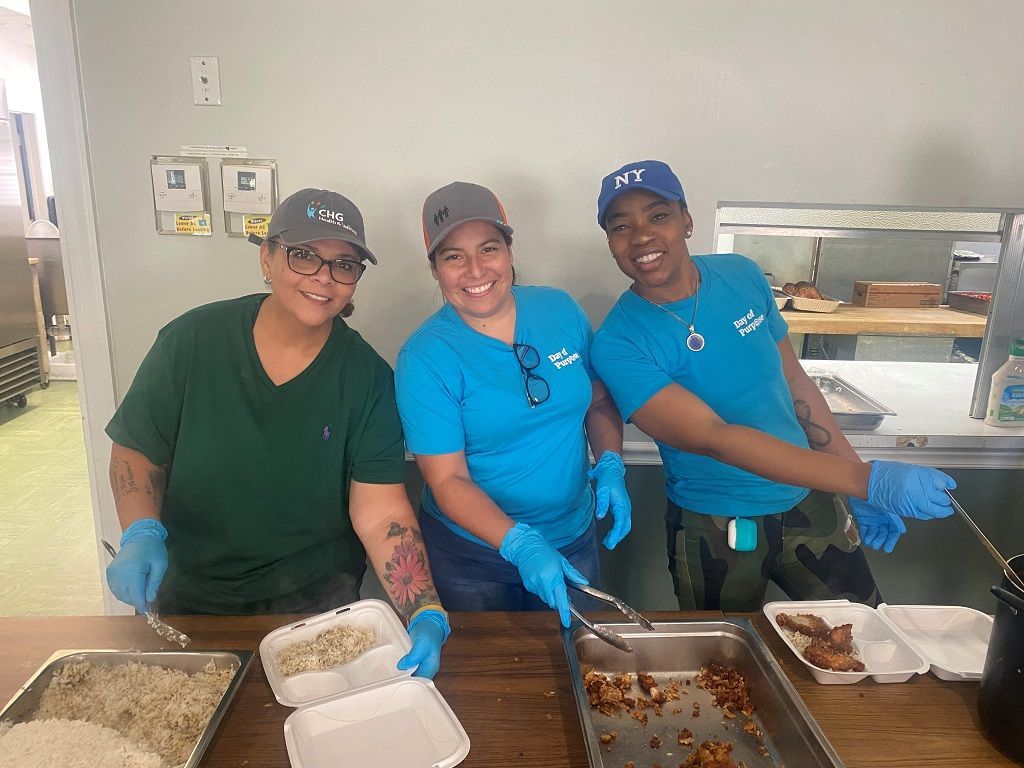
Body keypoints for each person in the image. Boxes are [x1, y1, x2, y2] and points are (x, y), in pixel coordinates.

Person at [104, 188, 448, 677]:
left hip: (316, 613)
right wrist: (140, 531)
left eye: (344, 264)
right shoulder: (192, 341)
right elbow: (136, 451)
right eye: (303, 255)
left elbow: (381, 510)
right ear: (267, 257)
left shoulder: (367, 378)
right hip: (190, 601)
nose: (324, 277)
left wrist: (424, 608)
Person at [590, 160, 955, 612]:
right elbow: (715, 437)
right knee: (727, 650)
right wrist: (867, 480)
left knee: (863, 630)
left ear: (686, 219)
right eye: (621, 226)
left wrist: (851, 476)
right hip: (716, 523)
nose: (641, 236)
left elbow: (794, 380)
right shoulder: (618, 342)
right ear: (610, 242)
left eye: (658, 215)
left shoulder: (741, 276)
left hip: (810, 498)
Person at [394, 181, 630, 627]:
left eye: (488, 249)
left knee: (576, 658)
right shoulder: (424, 357)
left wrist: (612, 461)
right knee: (488, 669)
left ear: (509, 250)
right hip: (472, 558)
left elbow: (597, 399)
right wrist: (519, 544)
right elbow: (447, 479)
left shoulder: (560, 309)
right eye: (453, 257)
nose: (475, 270)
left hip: (573, 537)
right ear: (435, 269)